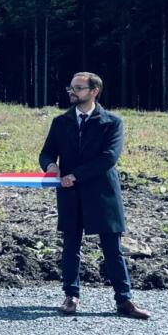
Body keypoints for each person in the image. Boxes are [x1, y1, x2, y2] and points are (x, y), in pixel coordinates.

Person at [39, 72, 150, 319]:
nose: (72, 91)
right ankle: (71, 295)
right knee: (71, 246)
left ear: (93, 91)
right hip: (70, 194)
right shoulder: (60, 122)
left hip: (103, 194)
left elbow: (108, 157)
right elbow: (46, 153)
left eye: (78, 87)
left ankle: (124, 300)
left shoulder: (112, 122)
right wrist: (51, 167)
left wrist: (75, 175)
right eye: (71, 87)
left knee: (112, 249)